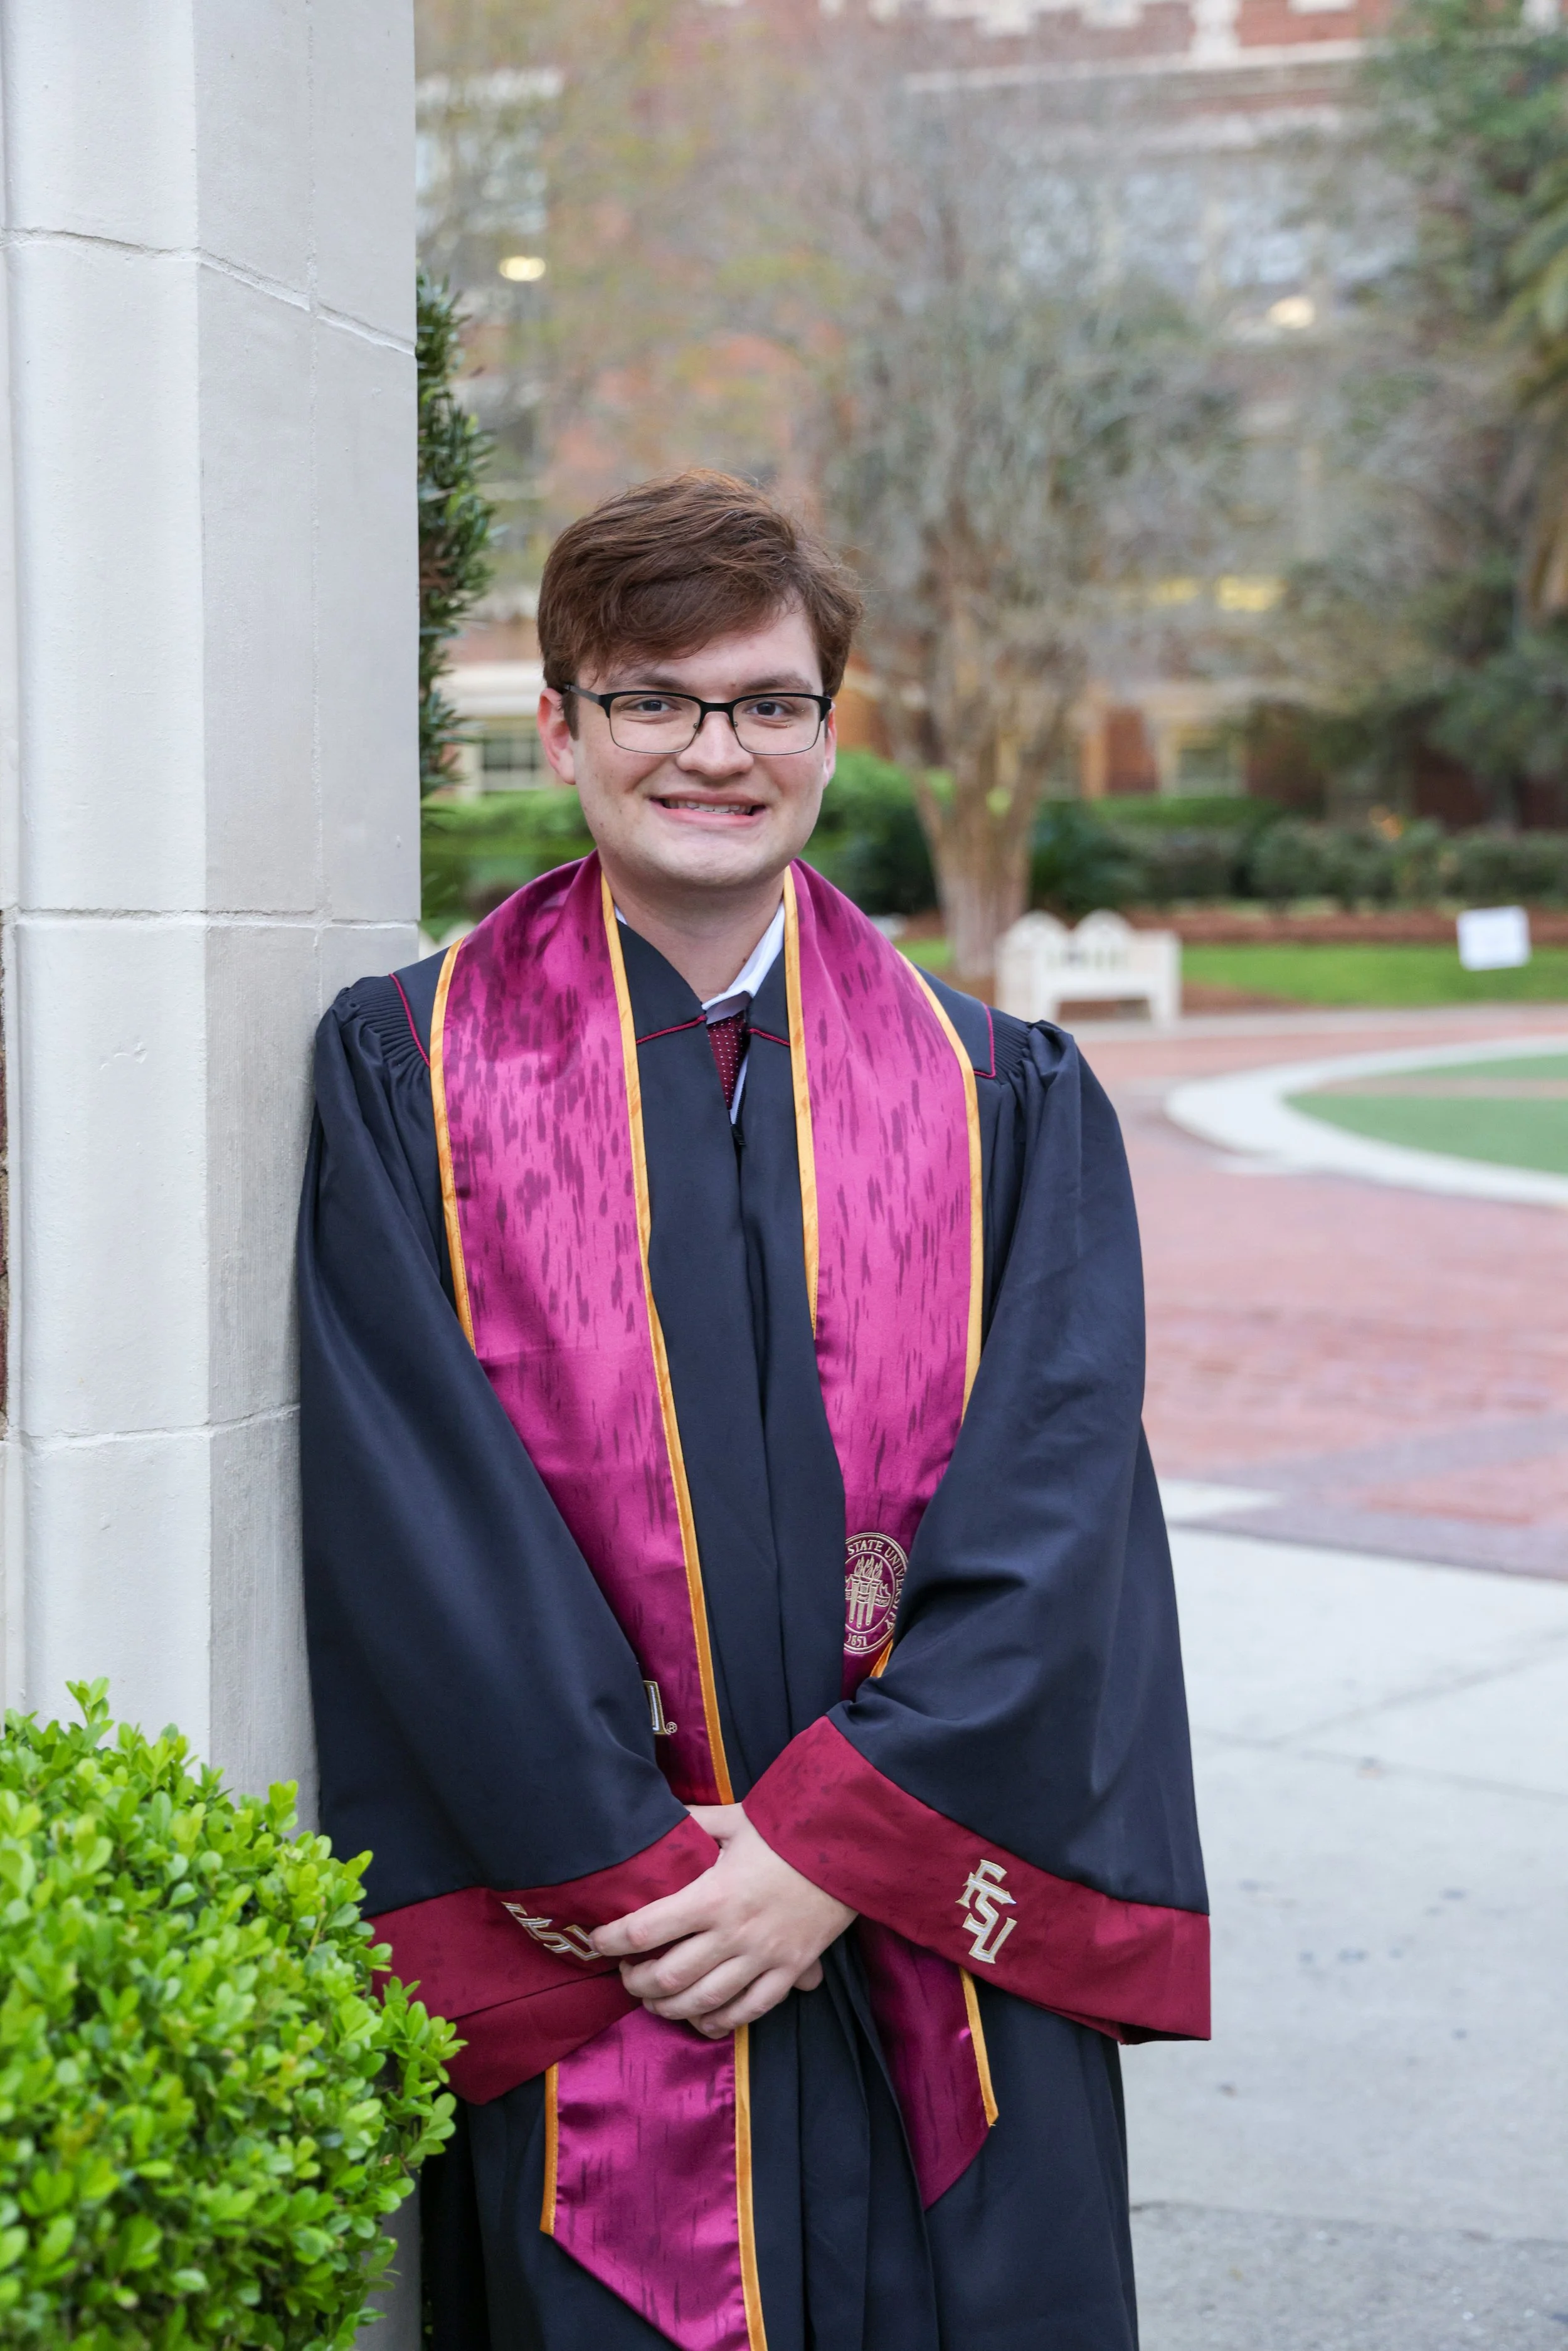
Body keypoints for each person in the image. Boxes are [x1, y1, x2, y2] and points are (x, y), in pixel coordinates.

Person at [299, 470, 1207, 2351]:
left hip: (925, 1945)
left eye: (766, 703)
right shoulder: (408, 1066)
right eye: (653, 698)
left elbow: (1057, 1520)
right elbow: (422, 1522)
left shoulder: (1002, 1090)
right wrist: (659, 1891)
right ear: (558, 724)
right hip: (611, 1939)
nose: (714, 751)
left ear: (823, 729)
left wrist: (819, 1855)